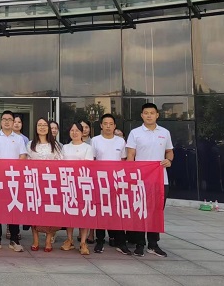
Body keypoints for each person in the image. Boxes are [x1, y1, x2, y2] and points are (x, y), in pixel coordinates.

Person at [126, 103, 173, 258]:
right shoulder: (135, 133)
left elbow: (169, 151)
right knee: (140, 211)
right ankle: (140, 244)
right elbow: (131, 155)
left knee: (156, 212)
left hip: (160, 179)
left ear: (157, 115)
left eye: (152, 113)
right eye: (146, 113)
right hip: (141, 180)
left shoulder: (165, 133)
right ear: (142, 115)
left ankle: (153, 244)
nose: (149, 115)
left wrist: (169, 160)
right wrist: (131, 176)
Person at [0, 110, 27, 253]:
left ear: (13, 122)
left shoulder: (19, 139)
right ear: (1, 122)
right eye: (4, 119)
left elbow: (23, 155)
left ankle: (14, 240)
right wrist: (1, 170)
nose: (7, 121)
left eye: (10, 119)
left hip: (14, 178)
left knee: (14, 208)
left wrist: (13, 169)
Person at [91, 114, 131, 255]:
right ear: (101, 125)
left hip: (117, 182)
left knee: (117, 212)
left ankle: (121, 242)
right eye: (105, 123)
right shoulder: (95, 140)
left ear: (114, 126)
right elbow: (92, 160)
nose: (108, 126)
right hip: (100, 181)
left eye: (111, 123)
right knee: (101, 212)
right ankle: (100, 241)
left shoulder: (120, 141)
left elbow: (124, 161)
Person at [60, 122, 94, 255]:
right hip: (68, 183)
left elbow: (88, 165)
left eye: (77, 130)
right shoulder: (65, 147)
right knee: (70, 212)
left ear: (82, 132)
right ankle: (69, 239)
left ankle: (83, 242)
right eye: (72, 130)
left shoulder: (88, 147)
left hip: (83, 183)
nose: (74, 133)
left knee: (83, 213)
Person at [28, 118, 62, 252]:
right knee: (34, 212)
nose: (42, 127)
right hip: (35, 182)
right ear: (36, 128)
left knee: (49, 212)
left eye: (44, 125)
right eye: (39, 125)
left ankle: (48, 240)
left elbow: (60, 163)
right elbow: (26, 163)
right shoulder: (30, 145)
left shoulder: (55, 145)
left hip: (50, 183)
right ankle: (35, 239)